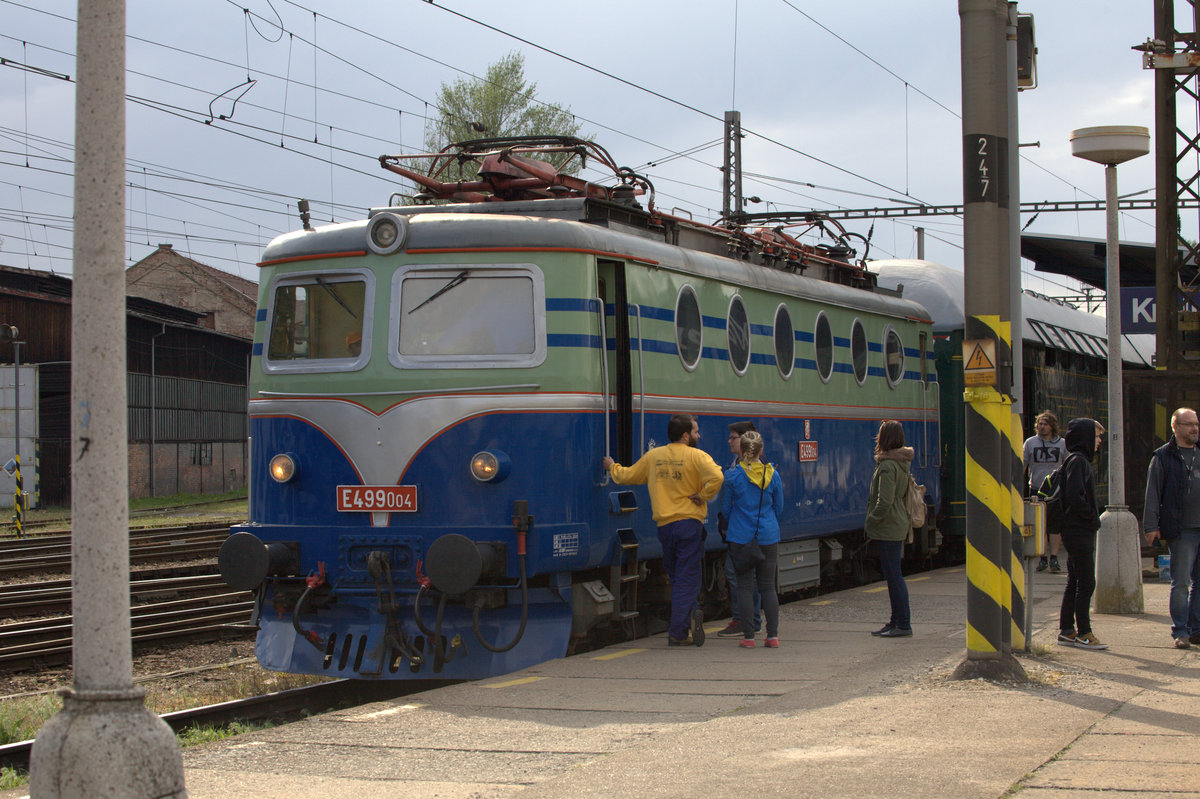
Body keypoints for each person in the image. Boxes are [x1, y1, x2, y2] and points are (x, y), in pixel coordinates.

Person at [602, 413, 723, 647]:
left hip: (665, 527)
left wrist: (612, 466)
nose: (699, 435)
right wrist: (703, 495)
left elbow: (628, 476)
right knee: (688, 579)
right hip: (689, 524)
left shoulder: (654, 456)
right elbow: (717, 477)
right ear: (686, 435)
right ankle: (678, 631)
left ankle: (692, 617)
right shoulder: (697, 456)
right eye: (695, 432)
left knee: (678, 577)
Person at [1142, 407, 1200, 650]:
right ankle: (1181, 630)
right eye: (1188, 424)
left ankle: (1196, 629)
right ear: (1175, 427)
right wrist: (1151, 526)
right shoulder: (1163, 456)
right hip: (1181, 529)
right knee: (1181, 582)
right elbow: (1153, 493)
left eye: (1196, 423)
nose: (1194, 428)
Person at [720, 431, 784, 648]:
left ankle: (748, 637)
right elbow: (779, 507)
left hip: (741, 537)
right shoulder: (772, 474)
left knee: (745, 587)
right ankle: (772, 636)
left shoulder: (733, 476)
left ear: (742, 449)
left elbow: (725, 510)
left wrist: (739, 521)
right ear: (761, 451)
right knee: (767, 586)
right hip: (768, 535)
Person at [1057, 418, 1108, 650]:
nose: (1099, 442)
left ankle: (1067, 630)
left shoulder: (1073, 460)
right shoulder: (1079, 462)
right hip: (1079, 530)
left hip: (1073, 529)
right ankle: (1084, 632)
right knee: (1086, 582)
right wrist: (1092, 518)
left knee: (1074, 580)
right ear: (1086, 437)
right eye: (1096, 436)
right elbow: (1076, 497)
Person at [864, 420, 913, 637]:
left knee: (894, 577)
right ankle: (896, 621)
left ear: (884, 439)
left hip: (888, 526)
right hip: (897, 522)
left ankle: (902, 624)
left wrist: (871, 520)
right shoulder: (900, 463)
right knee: (895, 576)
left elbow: (884, 501)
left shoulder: (886, 466)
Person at [717, 421, 763, 638]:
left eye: (733, 437)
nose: (729, 441)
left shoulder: (743, 470)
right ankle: (749, 619)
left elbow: (730, 506)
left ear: (745, 440)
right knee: (741, 575)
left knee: (739, 575)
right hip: (747, 531)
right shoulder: (739, 464)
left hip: (743, 532)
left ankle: (746, 620)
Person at [1024, 410, 1066, 573]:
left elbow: (1067, 464)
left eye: (1045, 424)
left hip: (1055, 489)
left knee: (1054, 525)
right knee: (1040, 524)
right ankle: (1042, 558)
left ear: (1052, 426)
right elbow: (1023, 463)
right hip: (1036, 487)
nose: (1041, 427)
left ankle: (1054, 558)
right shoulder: (1030, 443)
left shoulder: (1061, 444)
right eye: (1039, 424)